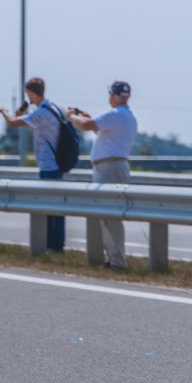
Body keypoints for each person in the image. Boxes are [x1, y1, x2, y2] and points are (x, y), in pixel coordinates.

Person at [67, 81, 137, 268]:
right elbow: (99, 129)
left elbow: (86, 125)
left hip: (109, 168)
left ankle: (116, 261)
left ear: (113, 96)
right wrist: (86, 118)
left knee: (110, 216)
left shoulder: (115, 114)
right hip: (114, 166)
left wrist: (72, 116)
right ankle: (113, 258)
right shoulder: (127, 116)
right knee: (107, 216)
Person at [0, 77, 67, 251]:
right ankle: (55, 244)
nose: (28, 97)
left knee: (50, 208)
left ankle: (54, 245)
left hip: (49, 166)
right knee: (54, 207)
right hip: (55, 163)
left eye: (28, 94)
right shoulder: (52, 108)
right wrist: (22, 112)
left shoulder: (41, 113)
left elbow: (12, 123)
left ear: (33, 93)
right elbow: (23, 119)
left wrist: (4, 111)